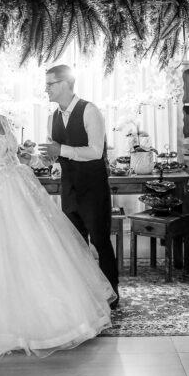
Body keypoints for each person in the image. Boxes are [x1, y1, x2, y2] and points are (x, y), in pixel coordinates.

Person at [0, 80, 115, 364]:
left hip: (19, 188)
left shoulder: (1, 121)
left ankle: (57, 322)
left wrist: (24, 156)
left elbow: (12, 156)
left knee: (36, 251)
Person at [38, 65, 119, 307]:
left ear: (65, 83)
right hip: (69, 189)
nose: (46, 89)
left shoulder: (89, 111)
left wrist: (60, 150)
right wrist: (40, 157)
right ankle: (86, 296)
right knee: (76, 244)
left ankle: (112, 294)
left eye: (50, 84)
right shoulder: (52, 118)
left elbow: (95, 151)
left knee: (100, 241)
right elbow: (54, 157)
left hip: (93, 189)